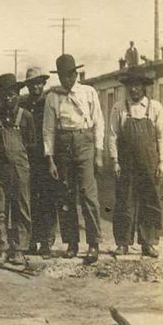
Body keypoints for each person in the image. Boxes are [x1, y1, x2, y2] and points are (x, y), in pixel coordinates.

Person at [43, 54, 105, 264]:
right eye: (61, 77)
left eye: (69, 76)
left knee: (88, 194)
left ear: (75, 74)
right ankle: (71, 242)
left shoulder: (88, 92)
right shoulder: (53, 97)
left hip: (84, 141)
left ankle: (94, 243)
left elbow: (99, 123)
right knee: (66, 196)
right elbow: (48, 129)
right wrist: (50, 159)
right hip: (62, 146)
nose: (66, 81)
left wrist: (98, 152)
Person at [108, 69, 163, 258]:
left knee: (150, 200)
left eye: (137, 85)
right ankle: (123, 242)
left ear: (144, 87)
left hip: (149, 162)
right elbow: (113, 136)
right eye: (130, 85)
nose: (134, 89)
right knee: (125, 201)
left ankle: (148, 243)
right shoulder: (119, 108)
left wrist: (162, 162)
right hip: (126, 163)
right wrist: (115, 160)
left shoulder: (154, 107)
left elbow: (162, 137)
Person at [0, 74, 35, 265]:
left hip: (20, 168)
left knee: (21, 208)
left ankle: (19, 249)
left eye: (12, 94)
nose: (8, 98)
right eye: (5, 95)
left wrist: (23, 165)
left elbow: (31, 145)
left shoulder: (26, 117)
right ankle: (1, 248)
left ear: (18, 94)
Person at [19, 67, 57, 256]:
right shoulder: (23, 104)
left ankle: (47, 241)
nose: (35, 86)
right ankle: (32, 238)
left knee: (48, 199)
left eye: (38, 83)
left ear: (43, 83)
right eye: (31, 83)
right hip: (29, 157)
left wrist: (52, 157)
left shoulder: (50, 102)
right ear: (27, 86)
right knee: (30, 198)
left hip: (47, 157)